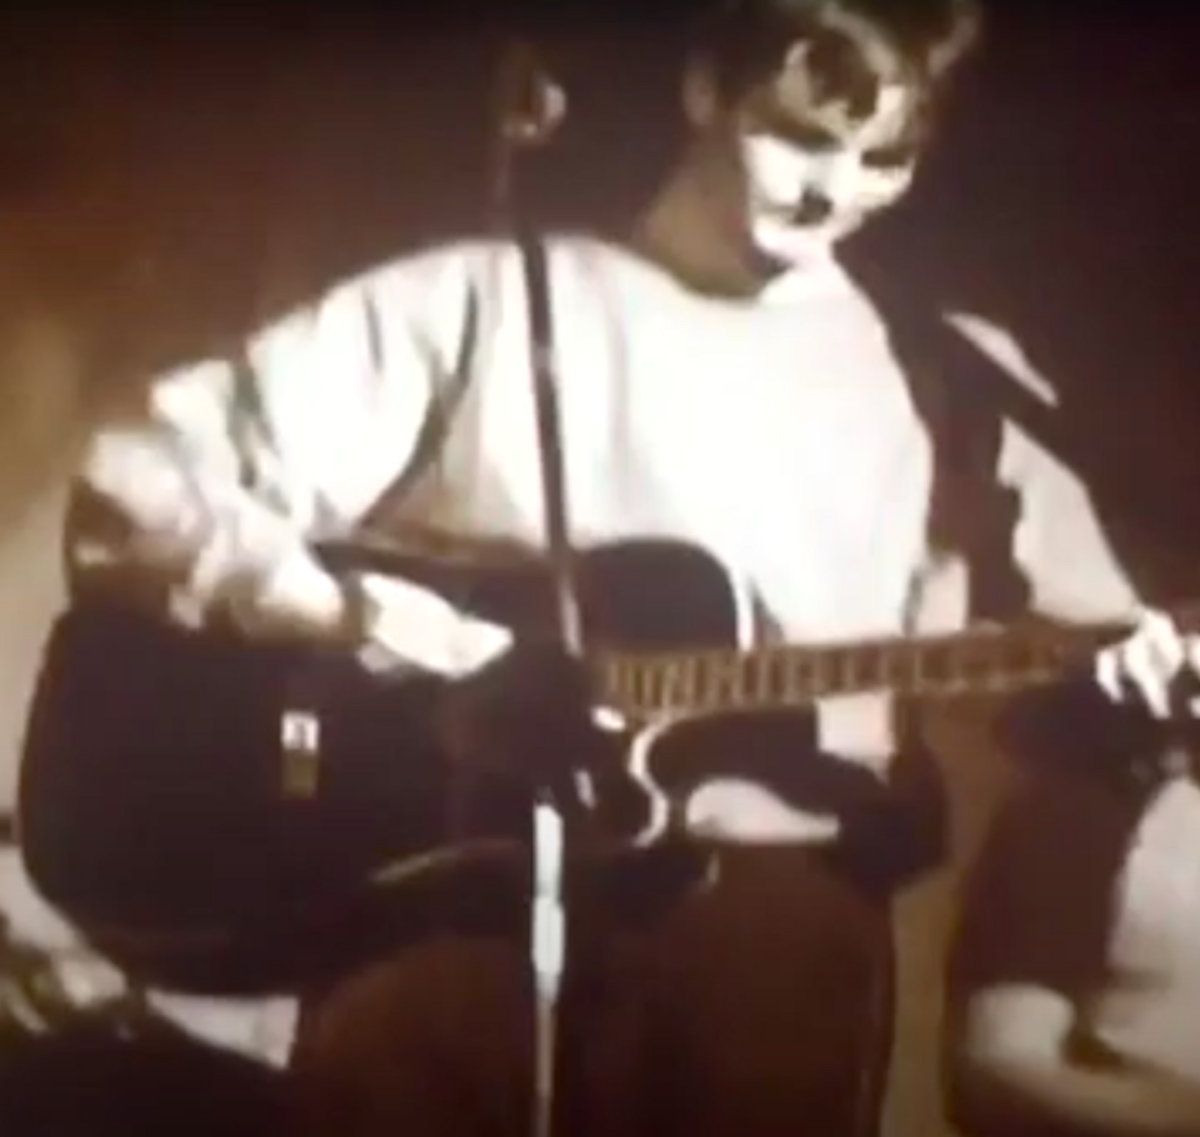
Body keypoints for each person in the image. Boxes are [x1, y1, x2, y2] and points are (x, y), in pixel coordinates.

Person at [33, 0, 1200, 1133]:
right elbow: (139, 481)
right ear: (704, 87)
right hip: (445, 926)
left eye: (882, 160)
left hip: (773, 956)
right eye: (798, 136)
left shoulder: (948, 381)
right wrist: (356, 617)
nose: (832, 190)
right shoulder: (492, 300)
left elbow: (1077, 672)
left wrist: (1123, 682)